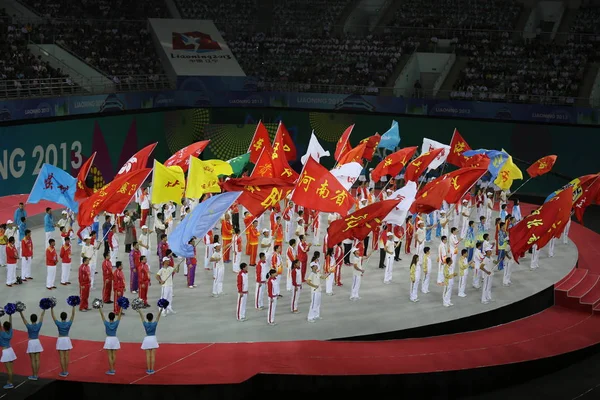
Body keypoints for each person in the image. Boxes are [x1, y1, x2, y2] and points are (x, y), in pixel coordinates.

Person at [19, 309, 45, 380]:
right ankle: (37, 374)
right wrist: (44, 309)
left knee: (33, 360)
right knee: (38, 359)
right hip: (37, 341)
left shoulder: (29, 326)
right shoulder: (39, 325)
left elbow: (23, 319)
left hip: (31, 343)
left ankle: (34, 375)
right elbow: (42, 316)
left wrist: (20, 312)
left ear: (31, 319)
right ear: (36, 319)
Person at [51, 306, 75, 377]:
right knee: (66, 356)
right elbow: (73, 315)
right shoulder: (69, 323)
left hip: (60, 340)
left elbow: (53, 316)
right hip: (67, 340)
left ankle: (63, 371)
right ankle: (66, 371)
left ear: (61, 317)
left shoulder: (58, 323)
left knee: (61, 357)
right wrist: (73, 306)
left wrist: (52, 308)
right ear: (66, 317)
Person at [98, 308, 122, 375]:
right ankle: (113, 369)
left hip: (108, 339)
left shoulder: (106, 323)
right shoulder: (116, 323)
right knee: (114, 355)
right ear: (114, 317)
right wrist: (121, 308)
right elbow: (119, 316)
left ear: (108, 317)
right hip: (114, 339)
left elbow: (102, 315)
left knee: (109, 355)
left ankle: (111, 370)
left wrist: (99, 308)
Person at [138, 308, 161, 374]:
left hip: (147, 339)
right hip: (153, 339)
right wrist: (161, 310)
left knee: (148, 356)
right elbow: (158, 317)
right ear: (152, 318)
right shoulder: (154, 324)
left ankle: (148, 369)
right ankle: (152, 369)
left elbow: (142, 317)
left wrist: (139, 311)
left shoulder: (145, 324)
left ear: (147, 318)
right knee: (153, 356)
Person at [306, 254, 326, 322]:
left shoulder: (317, 273)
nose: (317, 266)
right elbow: (307, 282)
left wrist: (329, 273)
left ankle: (316, 315)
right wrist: (314, 286)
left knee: (318, 304)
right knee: (313, 304)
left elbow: (323, 277)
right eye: (315, 265)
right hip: (314, 291)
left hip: (319, 291)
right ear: (313, 267)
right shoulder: (311, 274)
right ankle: (310, 317)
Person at [0, 314, 15, 389]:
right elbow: (10, 324)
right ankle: (9, 381)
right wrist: (10, 315)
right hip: (10, 350)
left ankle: (10, 383)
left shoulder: (2, 333)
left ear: (4, 327)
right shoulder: (11, 332)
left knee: (9, 370)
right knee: (11, 369)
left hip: (6, 352)